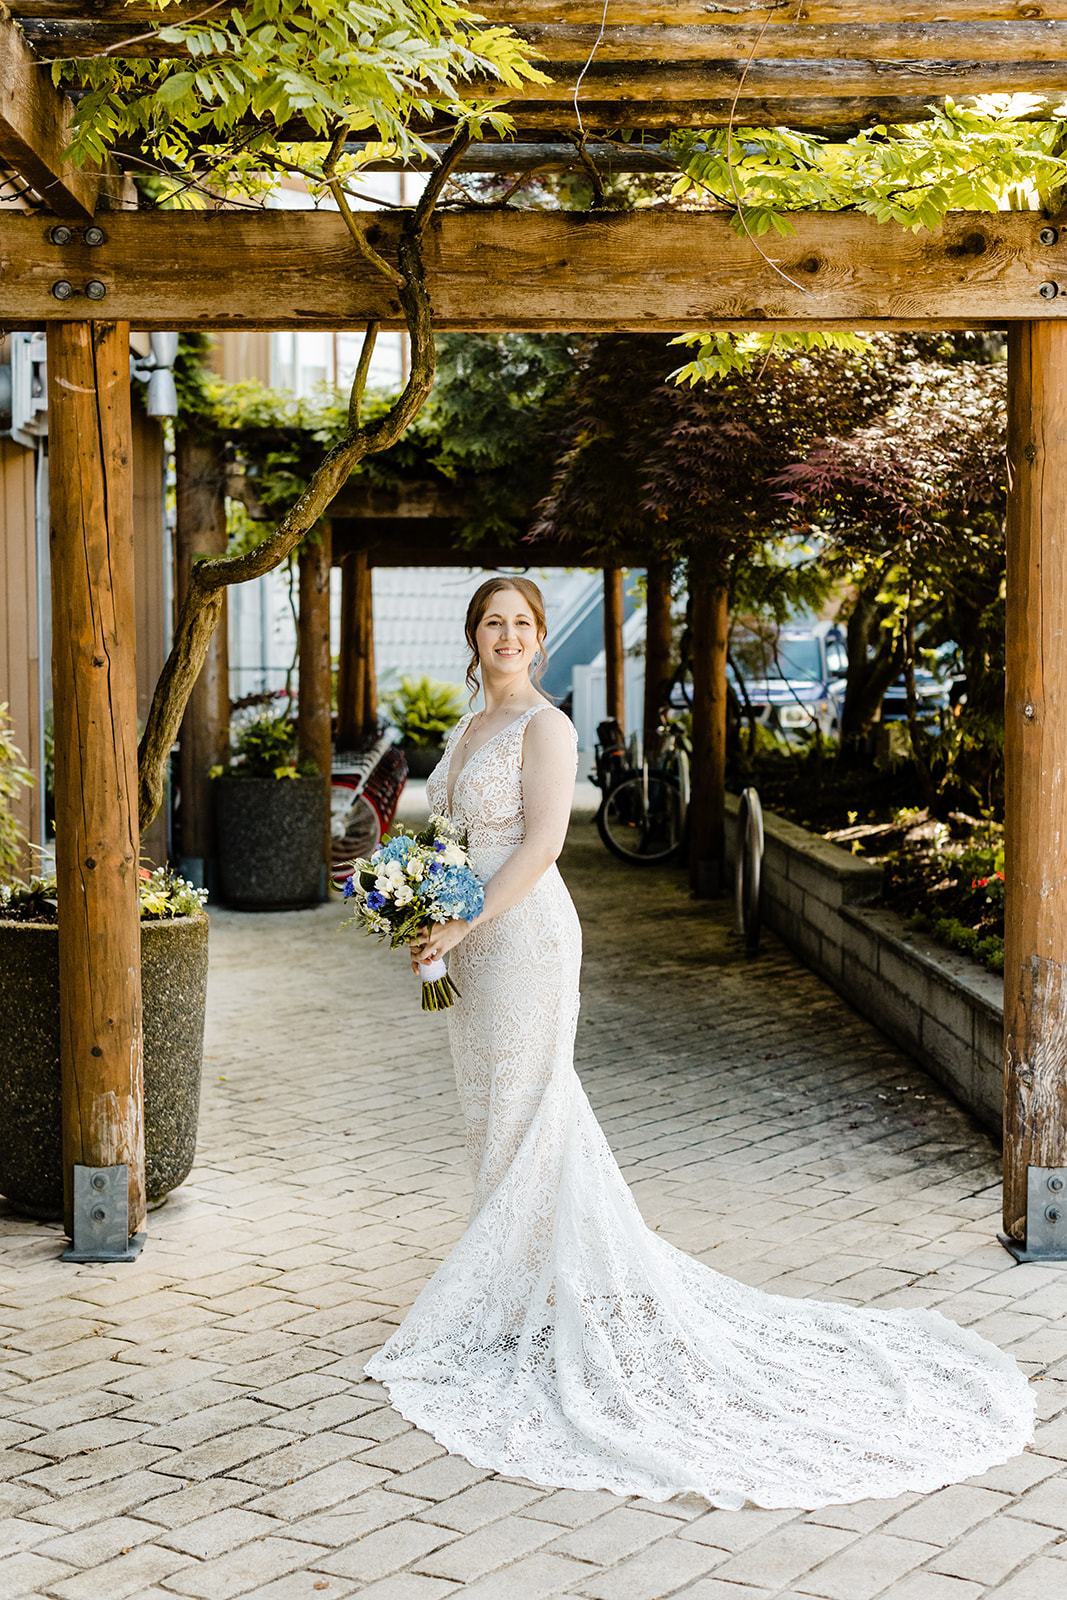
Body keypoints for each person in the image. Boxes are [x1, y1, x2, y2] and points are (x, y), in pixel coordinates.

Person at [365, 575, 1034, 1510]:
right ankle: (518, 1295)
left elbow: (545, 843)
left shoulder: (546, 728)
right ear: (471, 637)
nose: (507, 636)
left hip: (520, 940)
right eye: (492, 623)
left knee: (528, 1112)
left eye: (522, 624)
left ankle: (521, 1306)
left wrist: (463, 922)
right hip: (467, 942)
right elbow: (454, 836)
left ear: (541, 639)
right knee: (492, 1115)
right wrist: (421, 909)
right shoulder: (467, 727)